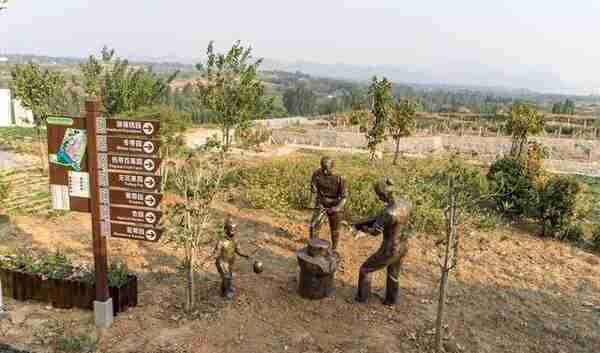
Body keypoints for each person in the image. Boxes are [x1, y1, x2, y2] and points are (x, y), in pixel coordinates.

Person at [351, 178, 411, 305]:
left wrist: (362, 228)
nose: (379, 198)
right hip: (404, 246)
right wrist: (361, 222)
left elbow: (375, 232)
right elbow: (380, 218)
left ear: (383, 195)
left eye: (379, 195)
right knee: (393, 273)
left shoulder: (389, 212)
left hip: (390, 249)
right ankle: (390, 300)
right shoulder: (406, 203)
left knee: (365, 269)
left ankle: (361, 298)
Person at [309, 156, 347, 253]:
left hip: (335, 204)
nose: (325, 172)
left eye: (327, 169)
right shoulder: (317, 174)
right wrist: (312, 202)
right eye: (323, 169)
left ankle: (334, 248)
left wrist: (337, 208)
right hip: (321, 203)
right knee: (314, 225)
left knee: (335, 229)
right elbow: (314, 190)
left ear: (332, 167)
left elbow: (344, 197)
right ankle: (313, 245)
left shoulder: (340, 178)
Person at [214, 217, 252, 299]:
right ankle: (225, 293)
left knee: (229, 276)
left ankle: (226, 289)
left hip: (230, 262)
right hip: (222, 262)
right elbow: (216, 252)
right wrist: (215, 255)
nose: (233, 232)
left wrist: (245, 255)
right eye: (231, 230)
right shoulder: (221, 241)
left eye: (234, 230)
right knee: (226, 276)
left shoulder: (235, 241)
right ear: (226, 230)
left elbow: (238, 251)